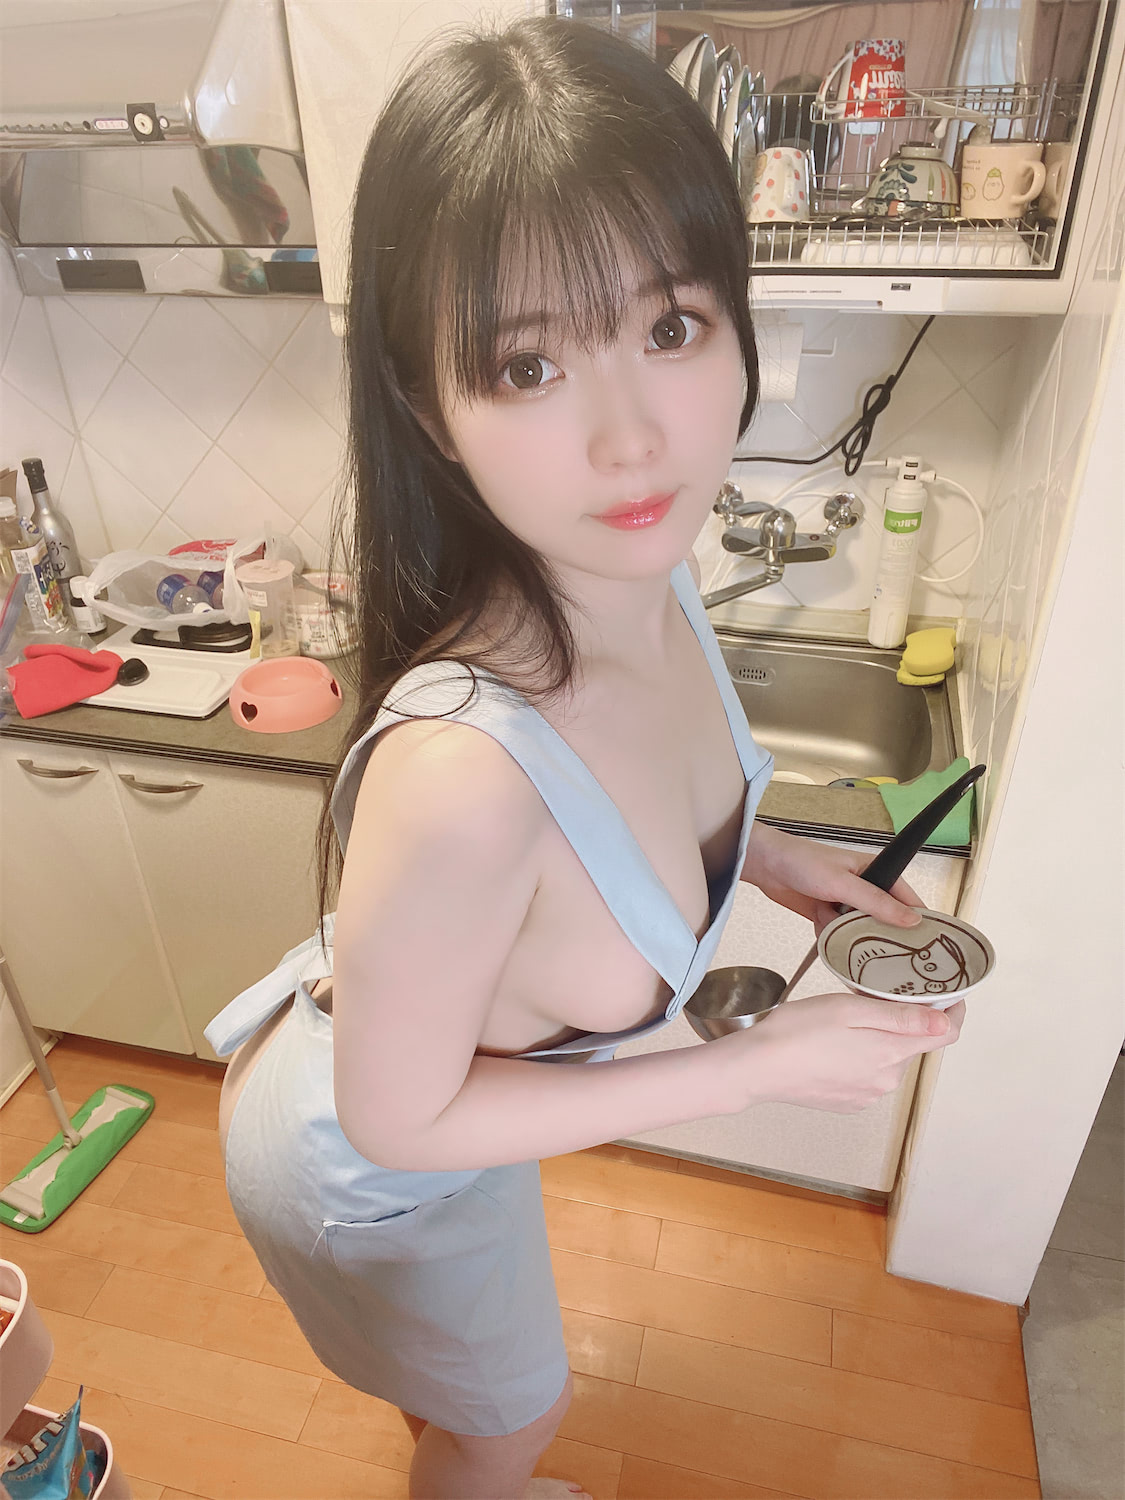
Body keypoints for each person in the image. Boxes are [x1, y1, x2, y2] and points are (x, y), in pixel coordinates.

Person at [206, 17, 964, 1500]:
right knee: (514, 1420)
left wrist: (781, 864)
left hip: (448, 1097)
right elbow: (398, 1115)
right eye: (529, 364)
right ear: (427, 410)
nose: (632, 441)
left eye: (670, 328)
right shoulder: (462, 775)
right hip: (371, 1163)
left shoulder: (649, 578)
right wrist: (747, 1070)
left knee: (473, 1397)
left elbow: (627, 824)